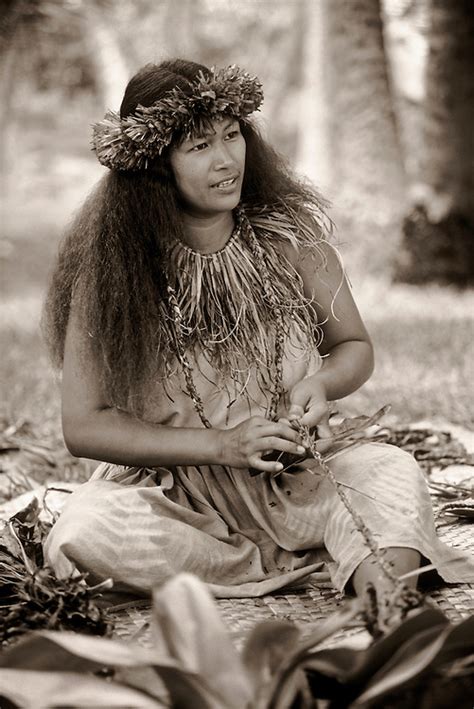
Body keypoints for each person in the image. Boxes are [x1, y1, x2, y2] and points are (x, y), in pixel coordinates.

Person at [43, 59, 473, 617]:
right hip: (175, 498)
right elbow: (84, 425)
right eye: (199, 146)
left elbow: (353, 347)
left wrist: (322, 383)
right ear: (153, 165)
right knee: (85, 531)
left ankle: (387, 605)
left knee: (390, 475)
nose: (226, 160)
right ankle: (285, 561)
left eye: (232, 134)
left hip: (303, 477)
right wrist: (220, 446)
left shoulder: (293, 241)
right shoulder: (111, 273)